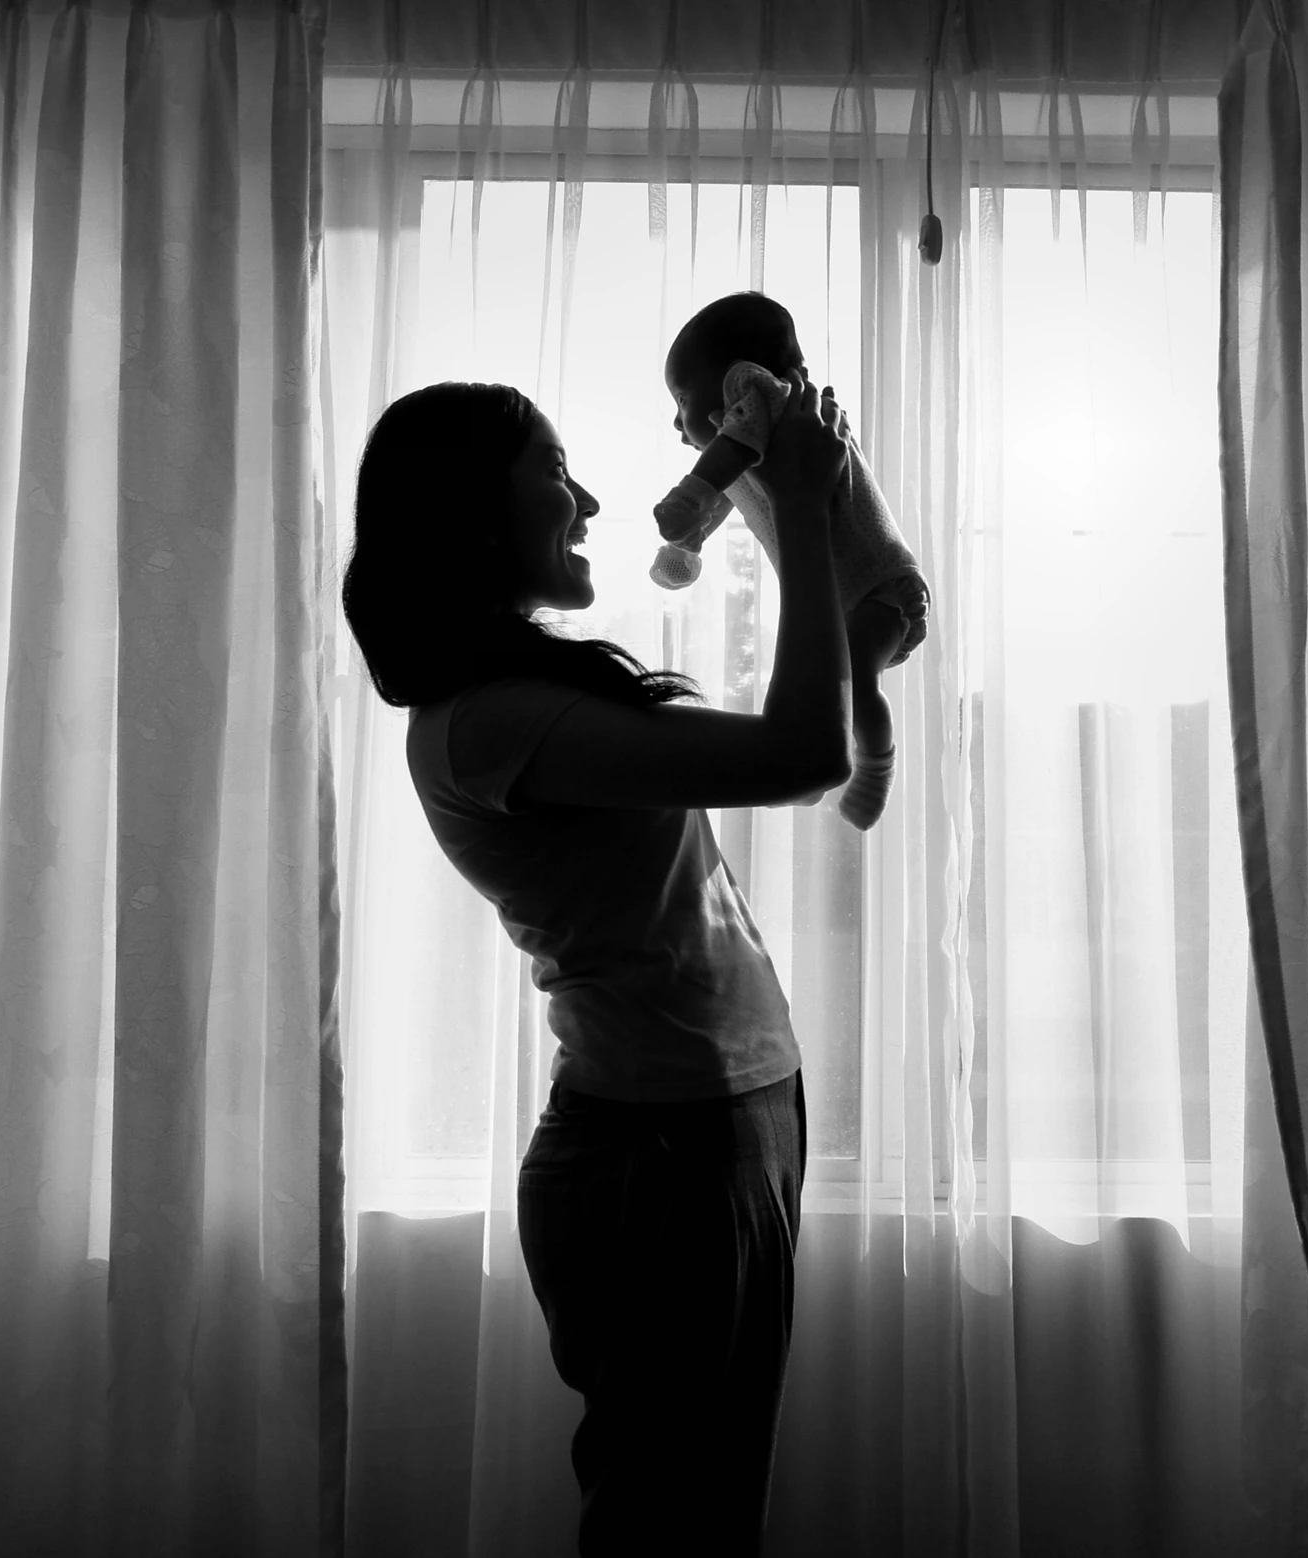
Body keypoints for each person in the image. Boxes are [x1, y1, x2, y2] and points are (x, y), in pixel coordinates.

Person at [341, 376, 854, 1555]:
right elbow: (805, 751)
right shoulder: (489, 721)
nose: (585, 500)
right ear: (475, 514)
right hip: (661, 1157)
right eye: (553, 473)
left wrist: (789, 504)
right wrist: (807, 514)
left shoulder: (525, 697)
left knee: (702, 1513)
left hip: (720, 1120)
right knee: (672, 1525)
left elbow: (800, 759)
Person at [650, 292, 930, 831]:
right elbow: (732, 487)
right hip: (861, 592)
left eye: (682, 397)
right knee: (837, 674)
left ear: (736, 377)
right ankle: (834, 761)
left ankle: (875, 766)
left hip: (881, 586)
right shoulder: (771, 443)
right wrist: (693, 539)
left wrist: (689, 496)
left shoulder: (766, 398)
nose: (678, 422)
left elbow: (724, 461)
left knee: (852, 673)